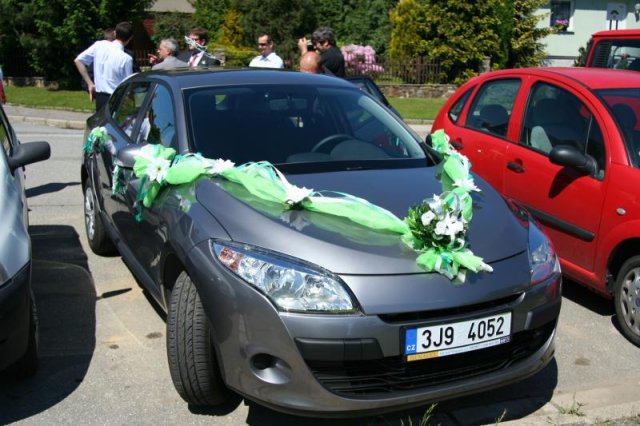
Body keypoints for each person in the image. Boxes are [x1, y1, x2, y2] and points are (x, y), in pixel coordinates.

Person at [74, 21, 134, 111]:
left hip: (100, 97)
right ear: (130, 38)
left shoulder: (99, 45)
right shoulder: (126, 58)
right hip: (115, 99)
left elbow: (78, 60)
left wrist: (90, 83)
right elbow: (128, 85)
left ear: (115, 33)